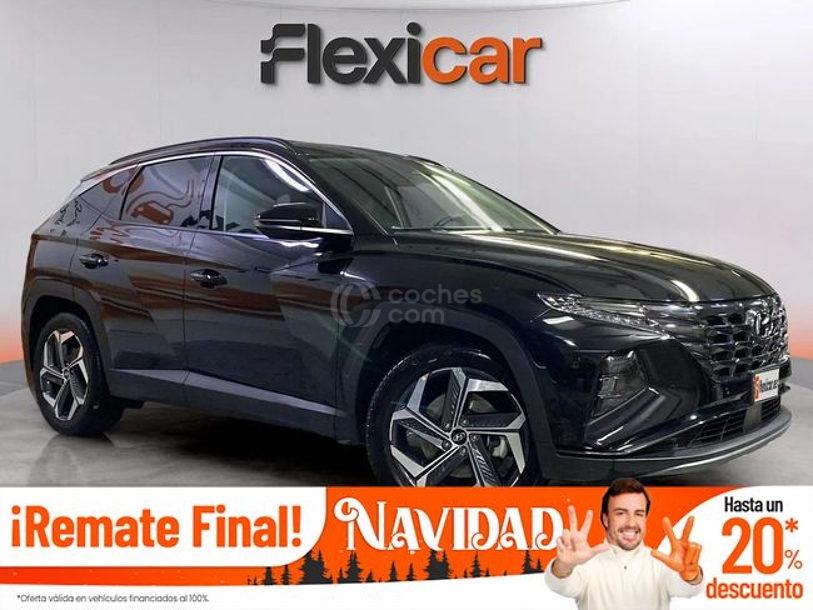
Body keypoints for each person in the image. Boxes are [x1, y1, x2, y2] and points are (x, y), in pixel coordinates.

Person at [545, 477, 703, 610]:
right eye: (621, 513)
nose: (631, 523)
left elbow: (688, 590)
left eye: (639, 514)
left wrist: (691, 576)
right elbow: (559, 584)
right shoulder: (586, 564)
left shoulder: (661, 563)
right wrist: (564, 566)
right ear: (606, 519)